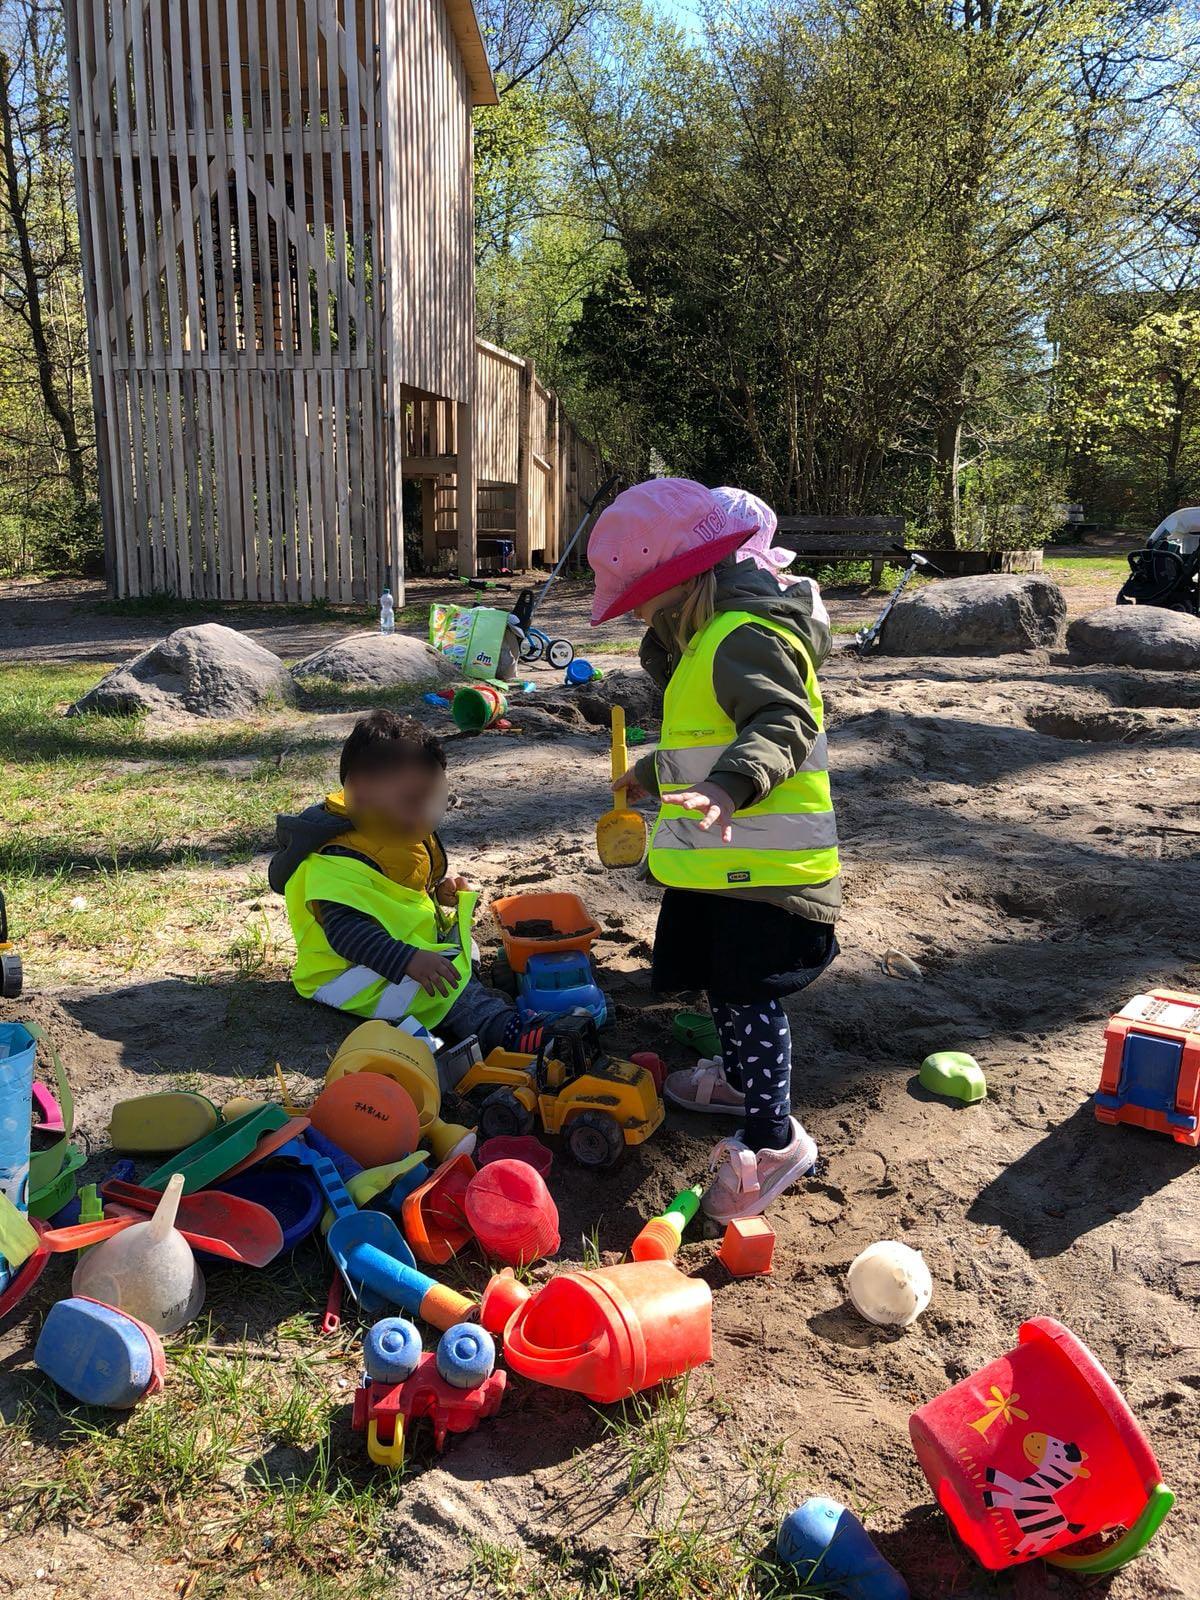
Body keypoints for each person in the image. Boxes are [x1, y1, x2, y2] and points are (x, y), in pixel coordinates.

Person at [588, 478, 841, 1222]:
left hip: (765, 864)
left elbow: (781, 723)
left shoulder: (746, 636)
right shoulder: (708, 640)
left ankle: (774, 1139)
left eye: (649, 604)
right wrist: (652, 773)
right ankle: (741, 1078)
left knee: (747, 994)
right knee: (722, 986)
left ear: (687, 584)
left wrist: (731, 786)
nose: (643, 619)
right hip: (722, 860)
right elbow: (710, 740)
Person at [269, 710, 541, 1055]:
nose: (423, 811)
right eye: (412, 800)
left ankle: (489, 994)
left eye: (429, 797)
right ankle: (502, 1029)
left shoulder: (387, 826)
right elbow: (346, 932)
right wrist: (408, 959)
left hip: (401, 946)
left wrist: (439, 892)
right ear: (361, 793)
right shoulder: (334, 862)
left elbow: (394, 891)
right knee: (445, 993)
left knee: (459, 953)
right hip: (351, 971)